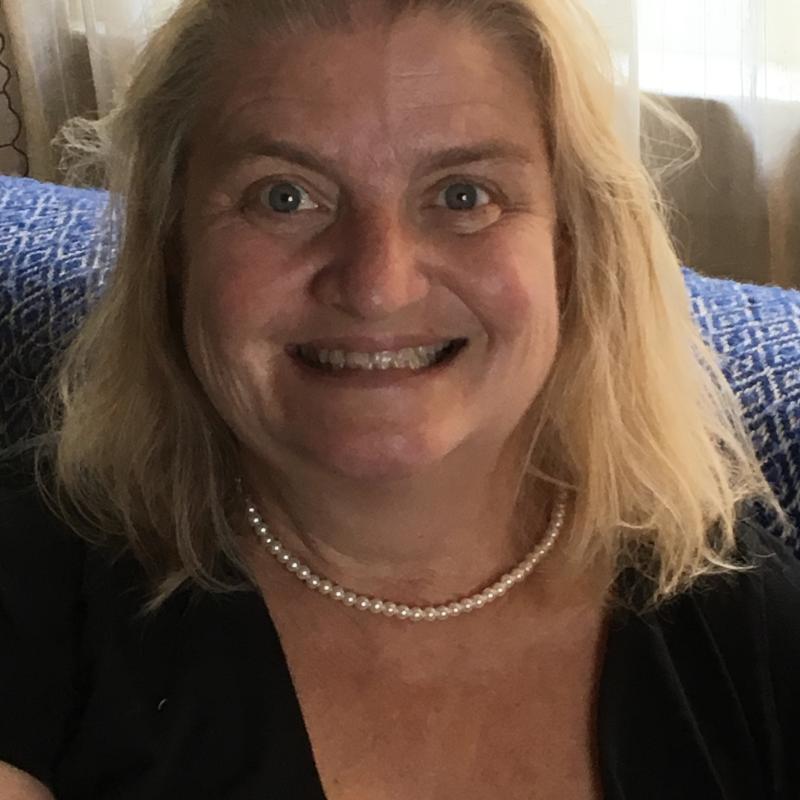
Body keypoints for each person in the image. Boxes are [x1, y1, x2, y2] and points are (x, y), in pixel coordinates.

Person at [1, 0, 799, 797]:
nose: (378, 286)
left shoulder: (744, 624)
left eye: (463, 196)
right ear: (172, 251)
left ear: (573, 250)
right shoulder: (36, 585)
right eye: (284, 196)